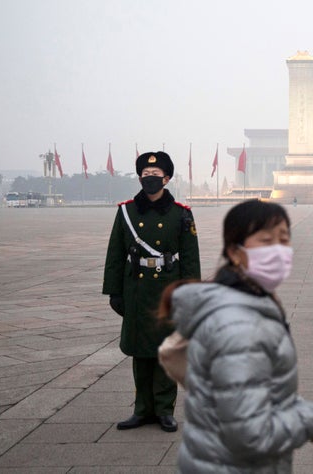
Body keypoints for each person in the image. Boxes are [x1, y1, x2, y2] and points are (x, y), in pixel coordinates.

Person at [160, 200, 313, 473]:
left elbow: (252, 387)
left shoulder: (245, 302)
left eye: (284, 240)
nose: (278, 251)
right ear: (235, 252)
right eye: (266, 241)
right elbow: (252, 434)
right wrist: (310, 420)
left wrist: (296, 407)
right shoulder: (239, 326)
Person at [102, 151, 201, 432]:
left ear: (166, 179)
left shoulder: (181, 213)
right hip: (136, 288)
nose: (150, 179)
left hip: (167, 289)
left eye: (156, 176)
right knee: (139, 351)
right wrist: (114, 291)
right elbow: (115, 254)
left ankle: (164, 409)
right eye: (146, 175)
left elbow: (191, 258)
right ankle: (141, 409)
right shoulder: (126, 211)